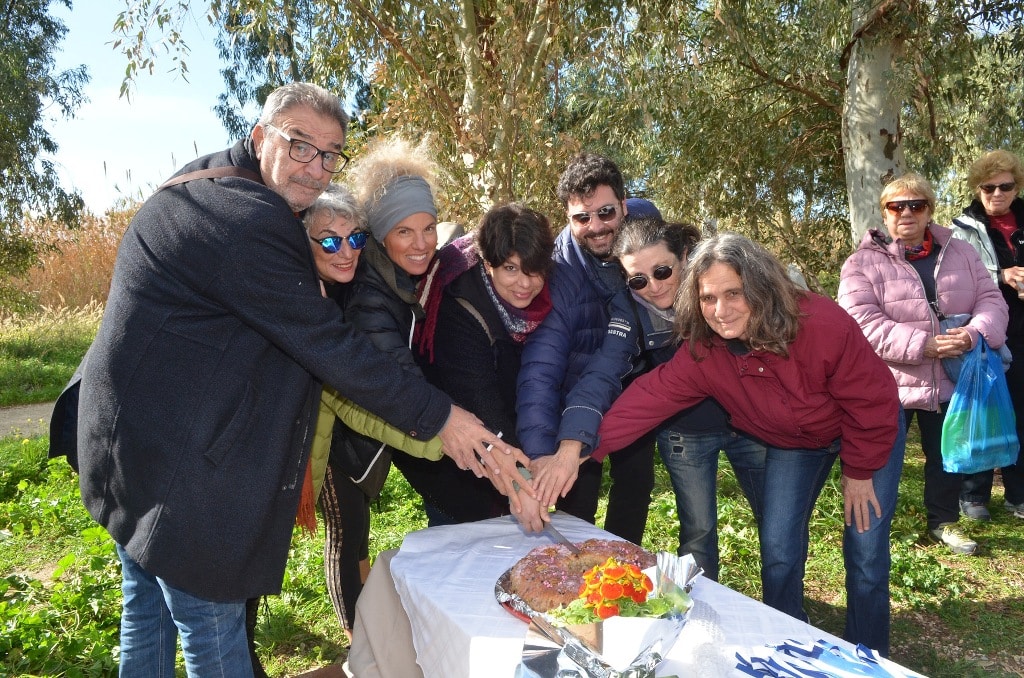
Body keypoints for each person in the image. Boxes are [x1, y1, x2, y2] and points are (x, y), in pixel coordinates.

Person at [66, 83, 522, 677]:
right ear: (260, 138)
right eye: (299, 146)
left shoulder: (214, 182)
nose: (315, 167)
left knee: (146, 610)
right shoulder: (247, 219)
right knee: (214, 634)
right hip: (180, 476)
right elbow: (336, 352)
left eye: (331, 154)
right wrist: (448, 422)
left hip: (130, 445)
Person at [591, 233, 906, 656]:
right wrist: (578, 449)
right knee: (777, 546)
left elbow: (873, 400)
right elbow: (647, 400)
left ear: (758, 287)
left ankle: (869, 654)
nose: (720, 311)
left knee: (865, 548)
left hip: (866, 431)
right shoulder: (705, 349)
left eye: (733, 293)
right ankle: (786, 640)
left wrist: (860, 470)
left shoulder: (821, 324)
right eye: (707, 298)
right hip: (795, 442)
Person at [526, 217, 765, 580]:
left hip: (750, 424)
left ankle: (786, 616)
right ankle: (696, 615)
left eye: (663, 271)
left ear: (684, 257)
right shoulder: (631, 309)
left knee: (776, 528)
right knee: (698, 532)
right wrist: (571, 447)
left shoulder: (720, 286)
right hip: (685, 431)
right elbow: (604, 371)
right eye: (638, 280)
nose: (653, 287)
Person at [341, 137, 528, 521]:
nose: (422, 243)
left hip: (432, 426)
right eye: (404, 232)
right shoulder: (370, 300)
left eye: (428, 228)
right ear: (380, 233)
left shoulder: (426, 275)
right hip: (404, 429)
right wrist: (489, 451)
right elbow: (402, 382)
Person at [839, 172, 1007, 555]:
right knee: (879, 459)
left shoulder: (962, 252)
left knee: (946, 456)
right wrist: (924, 345)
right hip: (888, 385)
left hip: (952, 378)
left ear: (930, 210)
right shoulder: (861, 264)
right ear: (884, 213)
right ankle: (872, 530)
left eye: (916, 205)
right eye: (896, 206)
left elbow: (992, 302)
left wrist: (974, 334)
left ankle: (943, 522)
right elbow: (861, 324)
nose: (907, 213)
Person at [515, 152, 656, 544]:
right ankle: (576, 565)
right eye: (582, 218)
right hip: (575, 390)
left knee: (635, 482)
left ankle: (620, 565)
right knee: (577, 489)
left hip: (635, 383)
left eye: (606, 212)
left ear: (625, 206)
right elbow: (540, 369)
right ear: (568, 218)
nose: (596, 227)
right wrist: (544, 457)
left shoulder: (648, 235)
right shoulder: (559, 276)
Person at [395, 203, 555, 524]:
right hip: (452, 454)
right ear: (487, 262)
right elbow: (480, 400)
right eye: (510, 268)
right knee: (459, 540)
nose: (525, 283)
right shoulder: (460, 307)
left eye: (533, 270)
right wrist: (520, 480)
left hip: (503, 440)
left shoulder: (548, 298)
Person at [951, 149, 1024, 522]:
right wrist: (1002, 277)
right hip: (988, 330)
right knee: (984, 405)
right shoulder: (961, 229)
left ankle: (1018, 495)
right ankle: (974, 494)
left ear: (1017, 185)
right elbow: (959, 280)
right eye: (988, 187)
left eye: (1006, 186)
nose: (997, 194)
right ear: (977, 189)